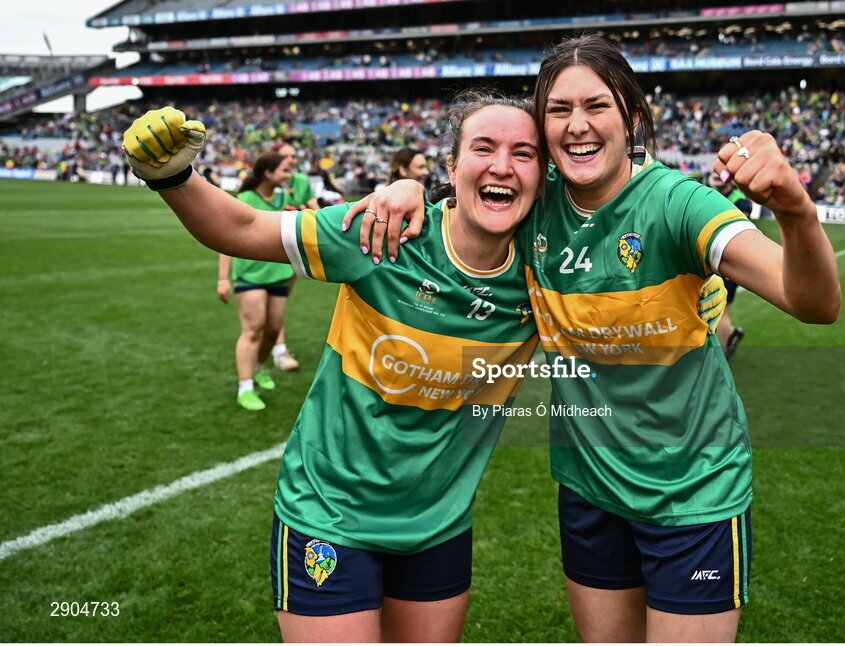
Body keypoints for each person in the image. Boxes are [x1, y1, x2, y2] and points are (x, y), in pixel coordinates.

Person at [349, 34, 840, 643]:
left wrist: (796, 210)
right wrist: (409, 190)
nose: (577, 125)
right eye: (559, 110)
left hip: (692, 494)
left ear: (631, 117)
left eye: (596, 106)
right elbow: (474, 195)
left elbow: (815, 303)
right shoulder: (534, 205)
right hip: (589, 491)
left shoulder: (678, 204)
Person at [121, 93, 543, 642]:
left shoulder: (549, 272)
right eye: (483, 148)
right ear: (451, 166)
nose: (502, 165)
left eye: (525, 153)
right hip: (330, 516)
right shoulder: (381, 232)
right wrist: (174, 177)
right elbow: (244, 228)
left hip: (438, 529)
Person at [219, 151, 296, 411]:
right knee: (254, 328)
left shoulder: (285, 197)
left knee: (273, 330)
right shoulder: (244, 199)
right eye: (285, 169)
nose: (290, 175)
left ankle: (260, 368)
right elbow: (225, 241)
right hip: (250, 275)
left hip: (280, 275)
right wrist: (223, 279)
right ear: (268, 172)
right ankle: (246, 387)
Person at [269, 142, 320, 372]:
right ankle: (278, 349)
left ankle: (272, 343)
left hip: (292, 248)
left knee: (280, 300)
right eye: (285, 156)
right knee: (270, 301)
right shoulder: (267, 180)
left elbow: (314, 209)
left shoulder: (300, 181)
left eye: (293, 156)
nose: (291, 160)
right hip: (269, 246)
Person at [708, 171, 754, 358]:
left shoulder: (741, 202)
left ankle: (722, 348)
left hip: (726, 263)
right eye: (714, 173)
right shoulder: (706, 193)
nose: (717, 176)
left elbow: (736, 232)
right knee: (716, 308)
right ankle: (730, 336)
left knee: (719, 308)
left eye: (721, 174)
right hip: (711, 260)